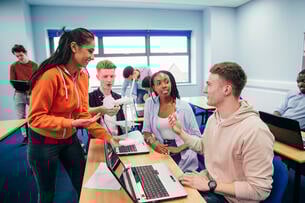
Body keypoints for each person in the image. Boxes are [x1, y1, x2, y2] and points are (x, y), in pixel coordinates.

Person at [27, 28, 116, 203]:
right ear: (74, 47)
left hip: (69, 139)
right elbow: (35, 118)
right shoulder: (50, 76)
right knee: (47, 193)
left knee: (83, 182)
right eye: (90, 50)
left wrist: (109, 138)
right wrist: (71, 123)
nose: (92, 56)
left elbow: (82, 112)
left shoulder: (83, 76)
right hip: (43, 142)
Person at [169, 62, 275, 203]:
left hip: (230, 199)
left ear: (226, 90)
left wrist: (209, 185)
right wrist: (180, 132)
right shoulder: (215, 118)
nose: (205, 90)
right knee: (171, 189)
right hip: (213, 186)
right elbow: (203, 147)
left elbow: (260, 190)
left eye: (209, 84)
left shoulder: (255, 130)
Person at [142, 70, 202, 173]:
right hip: (161, 152)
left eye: (166, 82)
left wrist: (178, 149)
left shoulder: (184, 107)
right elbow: (146, 132)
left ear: (171, 84)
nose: (164, 85)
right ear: (154, 87)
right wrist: (154, 144)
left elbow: (198, 137)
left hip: (184, 154)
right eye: (159, 83)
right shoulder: (149, 104)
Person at [10, 44, 38, 143]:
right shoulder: (13, 66)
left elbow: (38, 80)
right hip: (19, 94)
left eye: (21, 55)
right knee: (20, 117)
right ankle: (25, 136)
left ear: (25, 53)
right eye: (17, 56)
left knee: (35, 114)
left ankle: (35, 134)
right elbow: (13, 81)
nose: (19, 58)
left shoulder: (34, 65)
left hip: (32, 93)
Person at [89, 60, 125, 136]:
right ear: (98, 77)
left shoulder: (118, 97)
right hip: (98, 140)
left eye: (112, 76)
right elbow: (83, 117)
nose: (109, 80)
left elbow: (122, 122)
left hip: (117, 139)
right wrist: (99, 110)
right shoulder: (90, 97)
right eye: (105, 76)